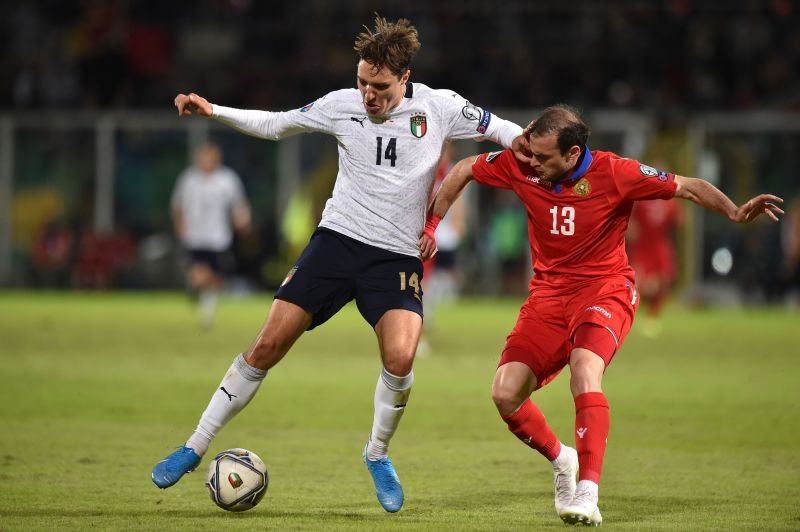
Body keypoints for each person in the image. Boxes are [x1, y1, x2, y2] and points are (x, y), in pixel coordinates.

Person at [151, 15, 526, 513]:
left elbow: (504, 130)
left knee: (401, 355)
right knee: (267, 344)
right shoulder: (340, 105)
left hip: (394, 254)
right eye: (362, 82)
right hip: (336, 242)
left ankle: (376, 454)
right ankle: (194, 445)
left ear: (405, 79)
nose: (368, 94)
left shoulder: (442, 107)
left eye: (380, 86)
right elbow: (277, 123)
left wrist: (547, 154)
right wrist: (213, 109)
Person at [420, 104, 783, 526]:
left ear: (573, 155)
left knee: (584, 369)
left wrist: (735, 212)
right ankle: (563, 460)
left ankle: (589, 492)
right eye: (530, 155)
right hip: (547, 297)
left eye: (542, 158)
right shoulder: (523, 163)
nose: (531, 163)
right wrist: (431, 226)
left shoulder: (616, 173)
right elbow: (464, 168)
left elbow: (687, 186)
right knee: (505, 393)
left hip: (604, 290)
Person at [171, 142, 252, 328]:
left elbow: (238, 205)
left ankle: (207, 313)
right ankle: (197, 290)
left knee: (215, 276)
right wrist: (180, 227)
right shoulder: (188, 179)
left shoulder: (228, 179)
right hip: (194, 236)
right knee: (199, 275)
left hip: (218, 237)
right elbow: (177, 206)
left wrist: (242, 222)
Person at [628, 197, 683, 336]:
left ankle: (652, 317)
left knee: (664, 281)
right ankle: (625, 316)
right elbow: (628, 220)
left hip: (660, 245)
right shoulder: (639, 199)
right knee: (637, 283)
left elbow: (679, 222)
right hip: (642, 245)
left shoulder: (670, 201)